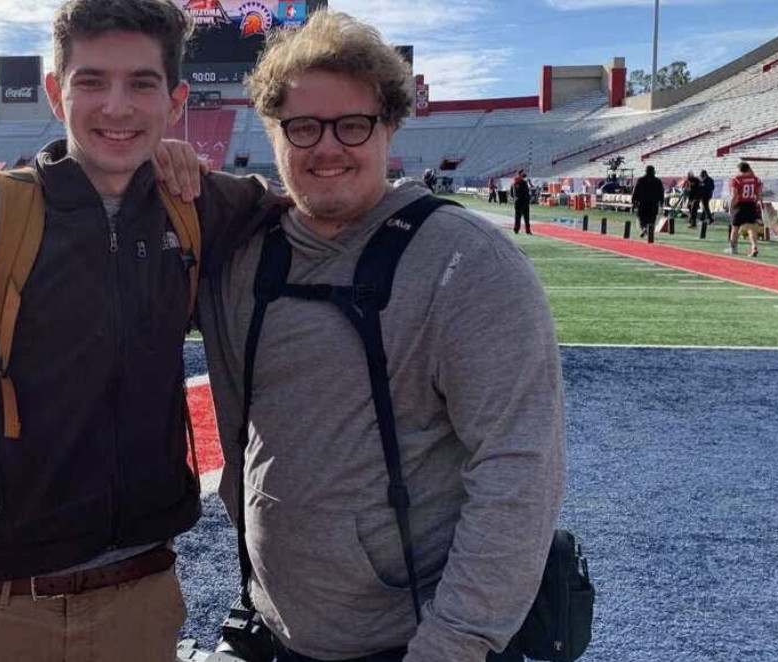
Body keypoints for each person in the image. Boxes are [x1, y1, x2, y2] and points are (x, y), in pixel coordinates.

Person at [0, 2, 276, 661]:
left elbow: (318, 206)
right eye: (91, 81)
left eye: (141, 84)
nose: (117, 106)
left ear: (176, 99)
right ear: (56, 91)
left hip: (144, 598)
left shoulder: (198, 206)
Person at [197, 11, 565, 662]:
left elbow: (519, 472)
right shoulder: (243, 255)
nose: (327, 147)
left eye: (353, 124)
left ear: (391, 125)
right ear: (272, 132)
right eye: (303, 127)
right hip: (269, 627)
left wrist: (451, 646)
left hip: (412, 642)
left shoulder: (468, 263)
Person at [727, 161, 764, 257]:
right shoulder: (756, 179)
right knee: (751, 228)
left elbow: (734, 196)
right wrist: (755, 203)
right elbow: (759, 195)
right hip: (750, 204)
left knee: (735, 228)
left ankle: (733, 248)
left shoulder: (736, 179)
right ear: (748, 169)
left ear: (739, 169)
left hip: (739, 205)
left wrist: (731, 208)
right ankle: (754, 246)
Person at [632, 165, 665, 239]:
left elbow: (636, 191)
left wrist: (634, 201)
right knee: (652, 219)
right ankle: (649, 230)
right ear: (654, 171)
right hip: (653, 204)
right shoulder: (658, 181)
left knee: (641, 217)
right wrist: (661, 202)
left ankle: (644, 228)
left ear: (646, 171)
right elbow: (661, 193)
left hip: (643, 203)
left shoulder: (641, 180)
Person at [512, 169, 532, 234]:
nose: (523, 175)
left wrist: (515, 198)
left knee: (518, 216)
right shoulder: (522, 183)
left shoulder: (514, 183)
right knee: (526, 217)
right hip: (523, 201)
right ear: (519, 174)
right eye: (522, 174)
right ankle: (527, 230)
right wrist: (528, 198)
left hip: (518, 201)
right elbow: (526, 192)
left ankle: (516, 229)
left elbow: (511, 193)